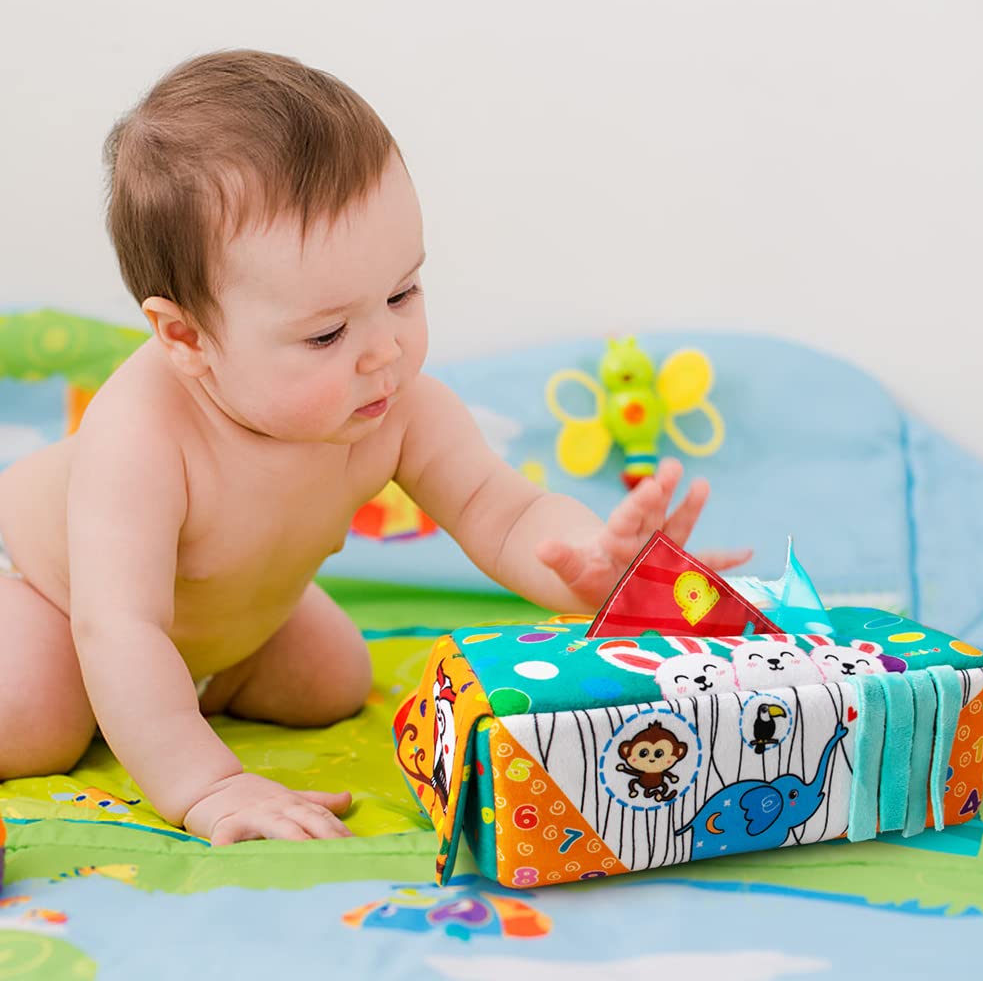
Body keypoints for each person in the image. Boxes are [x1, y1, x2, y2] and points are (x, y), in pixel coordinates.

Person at [0, 50, 751, 845]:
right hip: (66, 605)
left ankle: (175, 694)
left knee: (330, 678)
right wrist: (209, 784)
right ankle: (140, 705)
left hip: (230, 625)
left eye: (402, 293)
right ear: (186, 337)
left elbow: (502, 510)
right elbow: (120, 626)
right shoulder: (142, 438)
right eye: (327, 333)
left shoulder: (397, 406)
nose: (383, 350)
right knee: (28, 716)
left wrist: (590, 560)